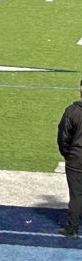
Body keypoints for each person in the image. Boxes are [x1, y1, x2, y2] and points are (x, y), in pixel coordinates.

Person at [57, 79, 82, 237]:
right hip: (75, 158)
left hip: (76, 159)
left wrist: (68, 154)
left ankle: (72, 228)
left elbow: (63, 138)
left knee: (76, 195)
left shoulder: (72, 111)